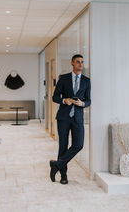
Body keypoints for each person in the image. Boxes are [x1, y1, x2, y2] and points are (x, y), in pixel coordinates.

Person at [49, 54, 91, 184]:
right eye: (78, 62)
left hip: (78, 117)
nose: (80, 64)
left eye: (82, 62)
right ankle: (63, 175)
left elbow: (88, 100)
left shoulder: (86, 80)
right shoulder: (63, 78)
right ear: (72, 63)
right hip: (63, 117)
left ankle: (57, 164)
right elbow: (55, 97)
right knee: (63, 145)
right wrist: (64, 100)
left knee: (78, 145)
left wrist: (82, 104)